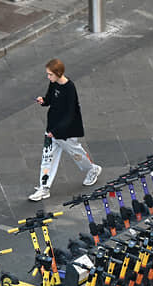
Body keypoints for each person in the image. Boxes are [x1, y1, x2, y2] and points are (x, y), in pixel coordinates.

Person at [30, 58, 102, 202]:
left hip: (65, 132)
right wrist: (43, 101)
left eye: (50, 74)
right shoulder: (53, 83)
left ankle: (92, 169)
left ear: (58, 73)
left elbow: (70, 113)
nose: (48, 77)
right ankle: (44, 188)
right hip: (52, 129)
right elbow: (50, 99)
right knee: (47, 158)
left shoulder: (70, 88)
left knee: (76, 154)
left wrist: (56, 131)